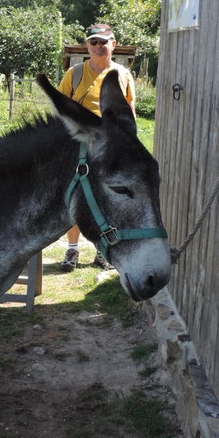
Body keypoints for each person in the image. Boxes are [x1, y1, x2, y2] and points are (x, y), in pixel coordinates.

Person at [57, 23, 135, 271]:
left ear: (114, 44)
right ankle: (72, 249)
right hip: (79, 146)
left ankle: (102, 251)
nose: (99, 46)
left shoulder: (122, 75)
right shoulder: (75, 74)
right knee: (76, 198)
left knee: (106, 199)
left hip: (110, 148)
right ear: (87, 46)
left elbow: (130, 111)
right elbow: (60, 110)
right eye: (94, 42)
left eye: (104, 42)